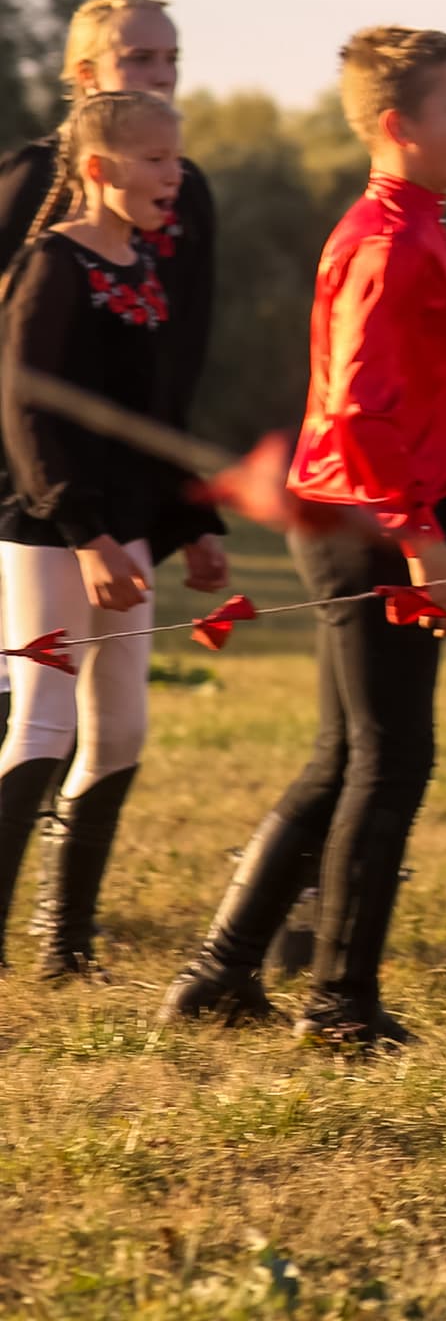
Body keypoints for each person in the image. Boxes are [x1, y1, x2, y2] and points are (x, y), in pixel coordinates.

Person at [167, 28, 446, 1047]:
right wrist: (417, 539)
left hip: (385, 515)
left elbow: (424, 404)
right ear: (397, 126)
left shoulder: (423, 229)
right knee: (391, 760)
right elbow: (360, 412)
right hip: (363, 520)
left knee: (345, 754)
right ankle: (340, 1002)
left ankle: (219, 976)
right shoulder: (386, 243)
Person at [2, 90, 228, 974]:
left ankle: (66, 943)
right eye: (156, 160)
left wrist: (195, 520)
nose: (176, 176)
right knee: (42, 720)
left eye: (177, 158)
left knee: (121, 729)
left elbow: (157, 417)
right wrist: (86, 534)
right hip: (53, 529)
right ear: (99, 169)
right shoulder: (52, 265)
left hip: (126, 529)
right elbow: (26, 410)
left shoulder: (145, 268)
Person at [0, 0, 219, 439]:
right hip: (43, 445)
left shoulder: (186, 185)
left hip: (148, 446)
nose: (163, 75)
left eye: (171, 59)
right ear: (88, 74)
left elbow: (189, 335)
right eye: (140, 58)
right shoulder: (32, 175)